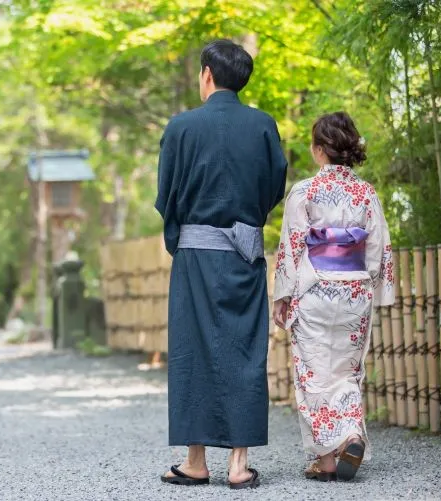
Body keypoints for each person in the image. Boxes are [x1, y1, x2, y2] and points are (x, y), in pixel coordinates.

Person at [156, 39, 288, 489]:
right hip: (243, 251)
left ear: (207, 74)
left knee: (192, 349)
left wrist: (182, 238)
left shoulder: (181, 128)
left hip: (195, 254)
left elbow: (166, 197)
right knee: (245, 350)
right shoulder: (264, 125)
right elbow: (273, 189)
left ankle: (195, 461)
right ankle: (238, 464)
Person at [272, 112, 394, 482]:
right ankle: (351, 435)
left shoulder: (305, 191)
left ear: (320, 149)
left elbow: (293, 245)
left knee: (313, 374)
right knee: (346, 371)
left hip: (314, 289)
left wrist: (282, 295)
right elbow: (378, 247)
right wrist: (374, 287)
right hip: (355, 288)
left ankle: (326, 458)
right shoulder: (366, 193)